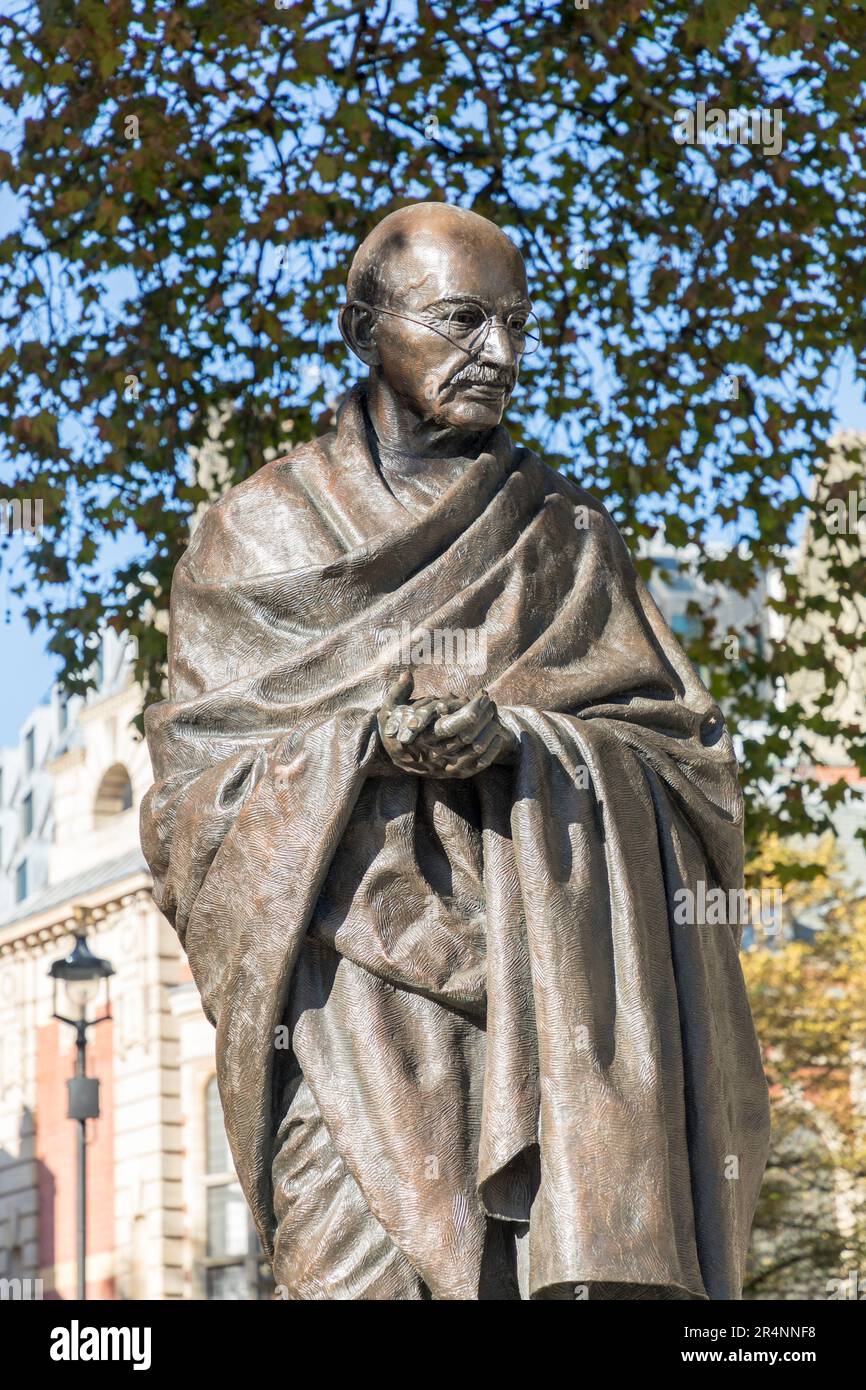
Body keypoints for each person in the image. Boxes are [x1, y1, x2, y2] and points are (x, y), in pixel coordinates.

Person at [141, 202, 770, 1300]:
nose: (502, 355)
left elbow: (690, 769)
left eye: (517, 324)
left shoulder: (562, 537)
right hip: (344, 1014)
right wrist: (363, 745)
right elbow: (189, 801)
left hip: (543, 1006)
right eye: (463, 320)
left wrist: (522, 740)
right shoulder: (257, 535)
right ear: (362, 325)